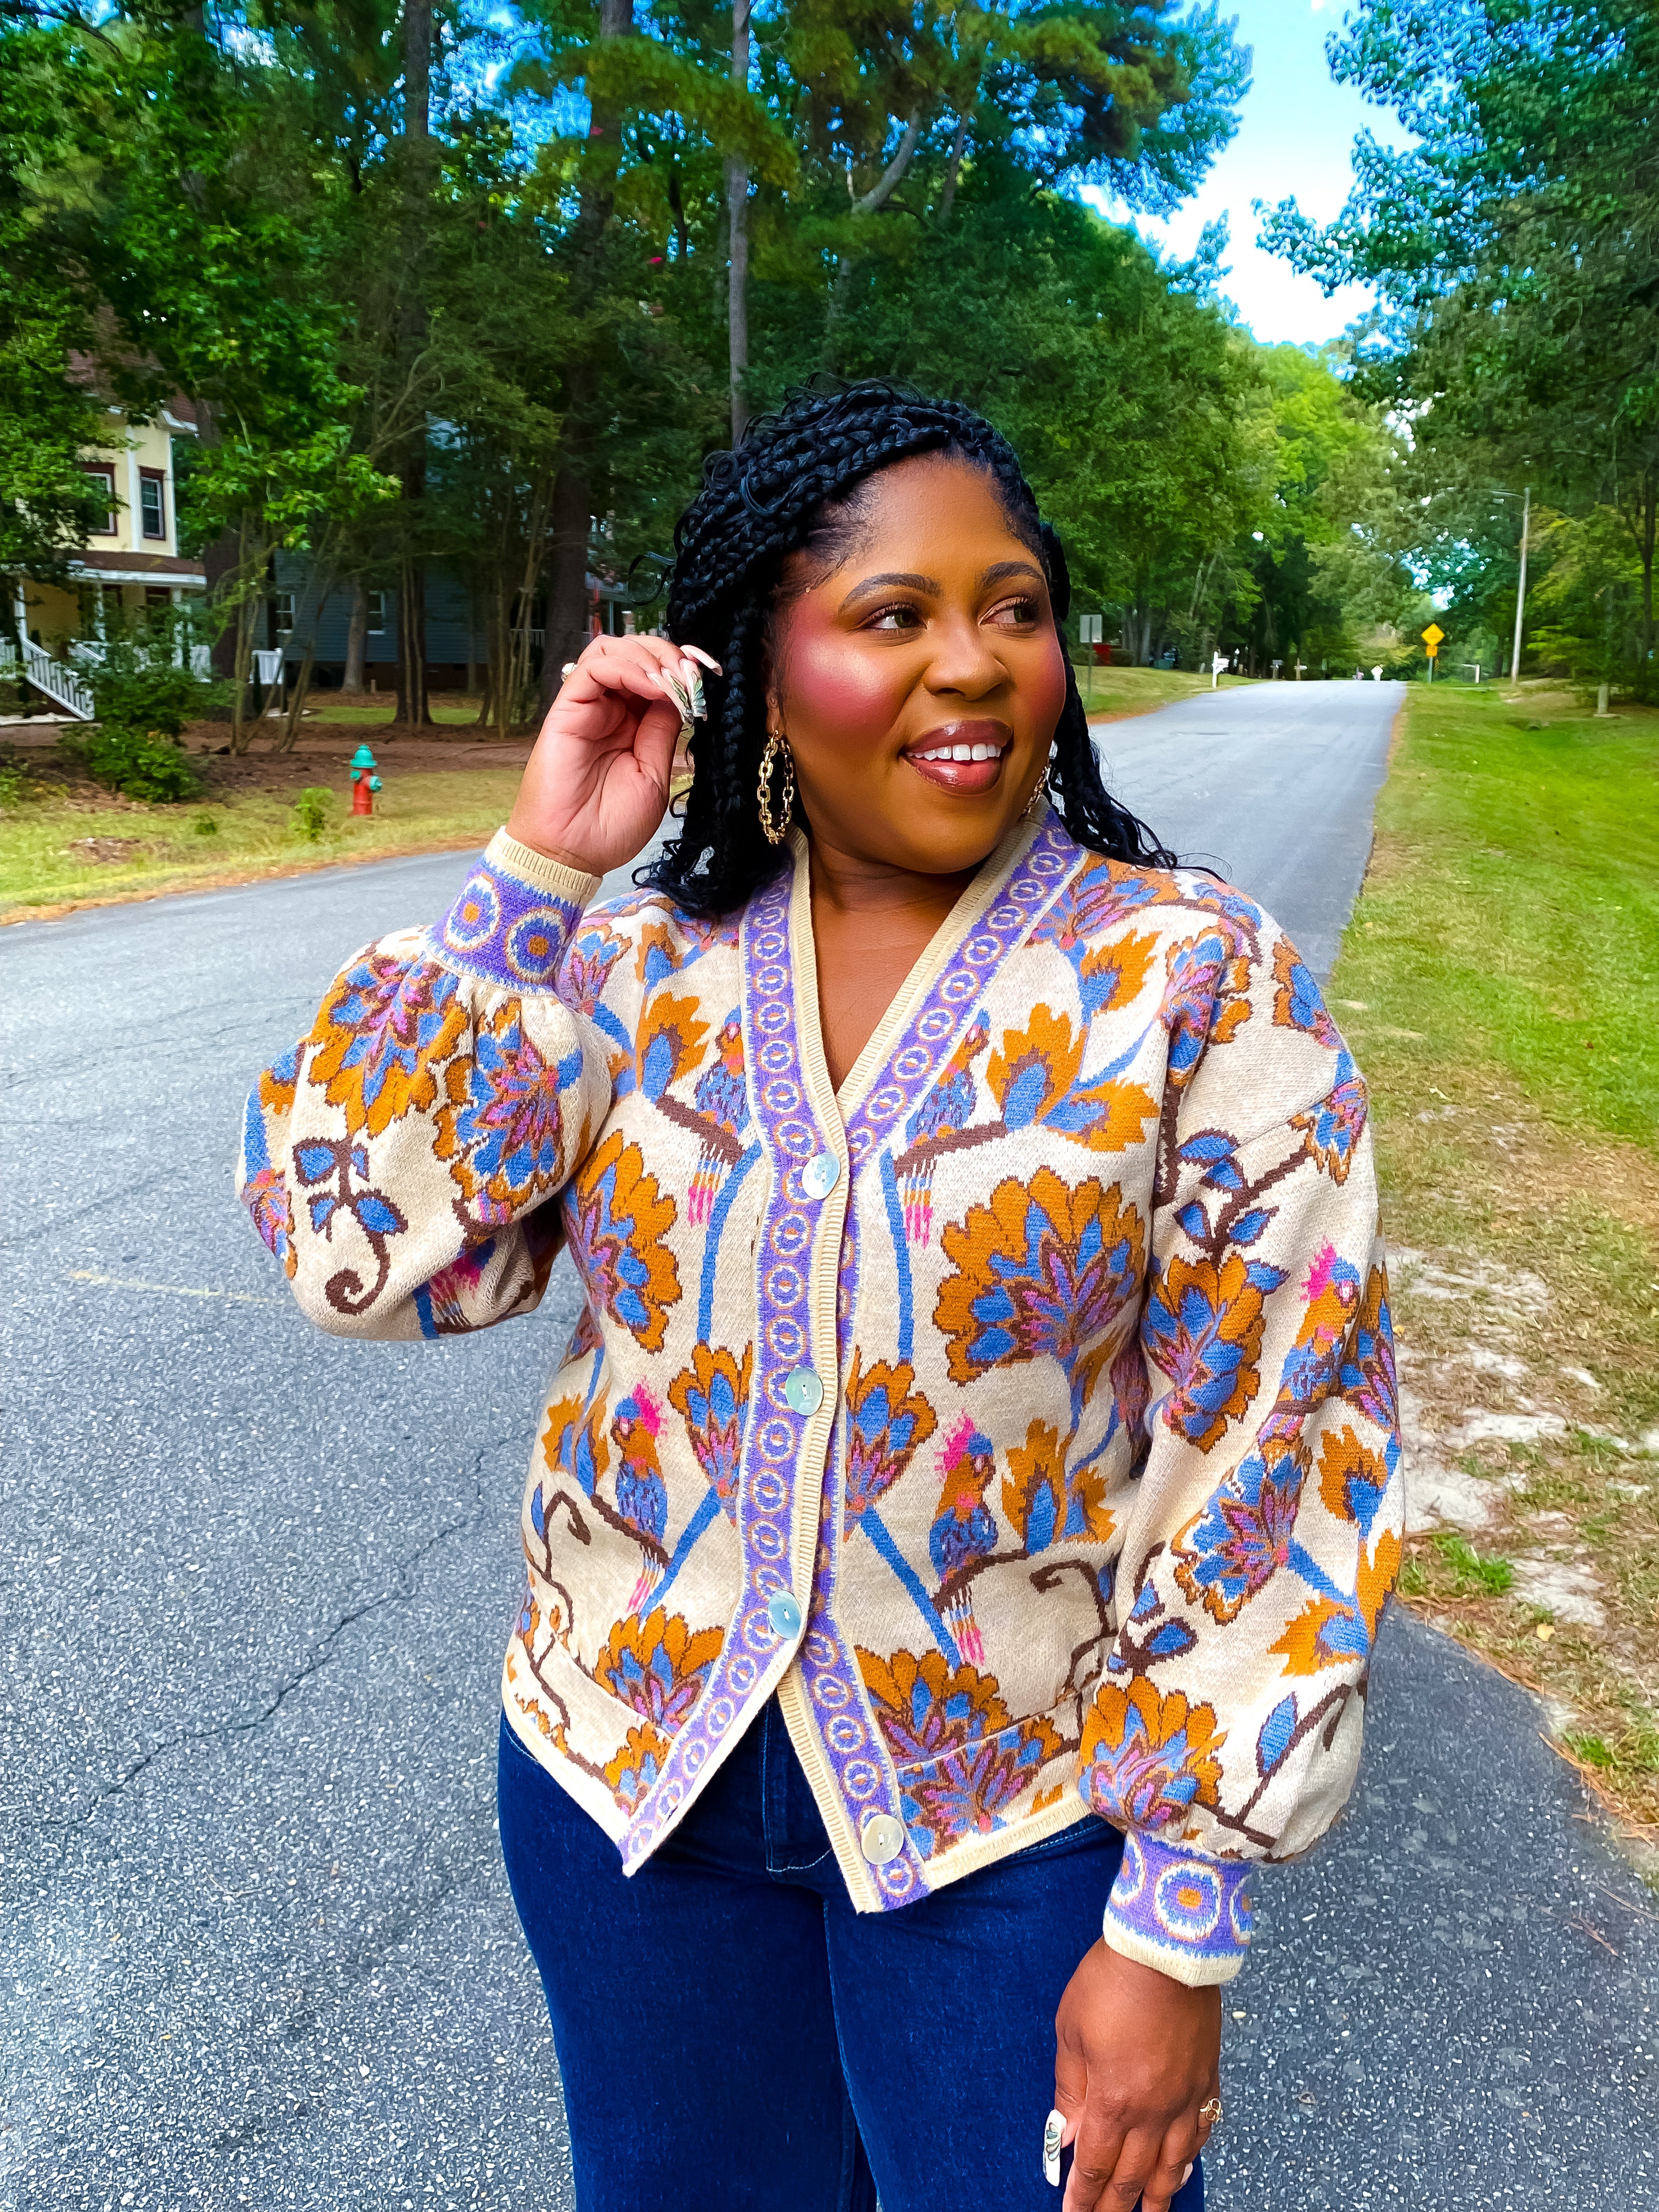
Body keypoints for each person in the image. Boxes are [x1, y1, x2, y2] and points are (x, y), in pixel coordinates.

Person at [239, 382, 1402, 2212]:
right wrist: (539, 869)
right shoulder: (635, 962)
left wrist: (1179, 1922)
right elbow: (363, 1258)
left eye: (1014, 608)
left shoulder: (1197, 981)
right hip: (631, 1793)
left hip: (1016, 1825)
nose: (976, 661)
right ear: (761, 675)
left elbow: (1281, 1438)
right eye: (893, 614)